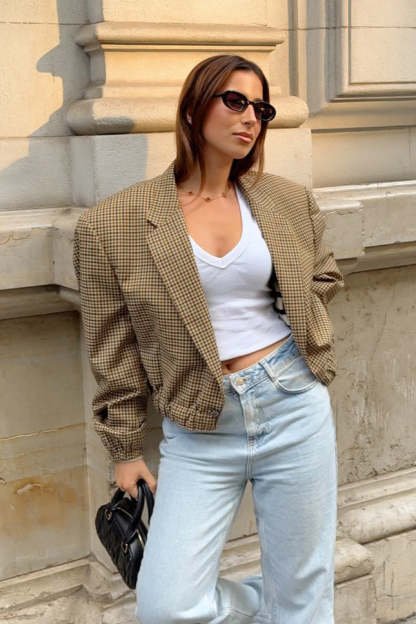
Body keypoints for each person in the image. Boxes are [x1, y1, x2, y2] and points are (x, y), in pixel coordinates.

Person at [73, 54, 344, 623]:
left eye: (261, 109)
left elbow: (323, 275)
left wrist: (299, 314)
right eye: (235, 101)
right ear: (194, 109)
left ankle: (293, 601)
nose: (250, 119)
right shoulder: (113, 223)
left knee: (305, 595)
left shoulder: (286, 200)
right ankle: (275, 600)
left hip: (293, 400)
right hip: (200, 423)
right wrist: (124, 450)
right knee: (167, 607)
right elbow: (112, 346)